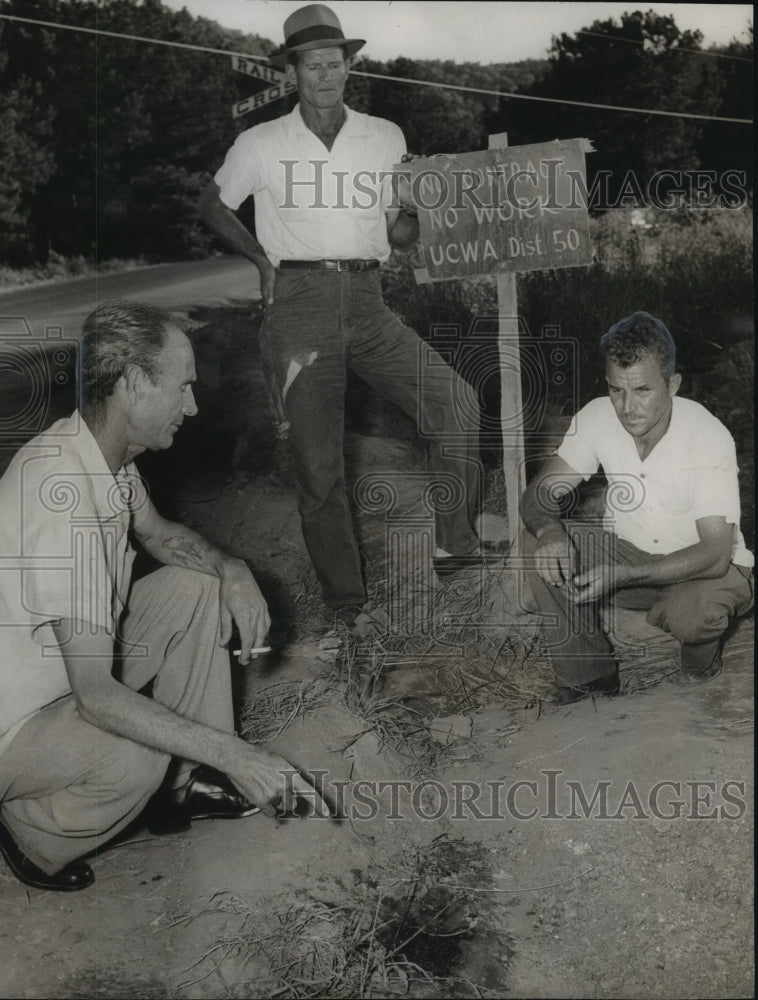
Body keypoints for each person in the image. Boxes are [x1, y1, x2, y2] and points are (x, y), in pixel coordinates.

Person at [0, 299, 327, 893]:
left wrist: (230, 567)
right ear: (132, 384)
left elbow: (159, 535)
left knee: (196, 585)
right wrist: (240, 755)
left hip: (57, 677)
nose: (193, 405)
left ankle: (181, 788)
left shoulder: (102, 456)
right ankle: (32, 832)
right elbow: (97, 697)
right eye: (182, 387)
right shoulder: (63, 501)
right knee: (136, 751)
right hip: (14, 724)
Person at [199, 3, 486, 625]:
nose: (325, 75)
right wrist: (259, 260)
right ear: (292, 71)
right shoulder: (261, 142)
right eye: (312, 65)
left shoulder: (385, 136)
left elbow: (400, 234)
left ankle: (455, 544)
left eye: (335, 63)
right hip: (297, 308)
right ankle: (346, 605)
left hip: (368, 300)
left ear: (348, 67)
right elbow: (212, 205)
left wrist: (417, 211)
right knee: (318, 466)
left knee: (456, 402)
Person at [521, 311, 753, 703]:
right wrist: (549, 531)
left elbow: (714, 556)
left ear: (672, 384)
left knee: (691, 614)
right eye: (617, 390)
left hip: (707, 571)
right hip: (633, 565)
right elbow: (537, 494)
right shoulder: (596, 417)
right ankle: (588, 680)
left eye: (643, 390)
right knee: (535, 544)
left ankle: (700, 668)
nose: (628, 407)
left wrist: (625, 574)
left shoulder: (707, 436)